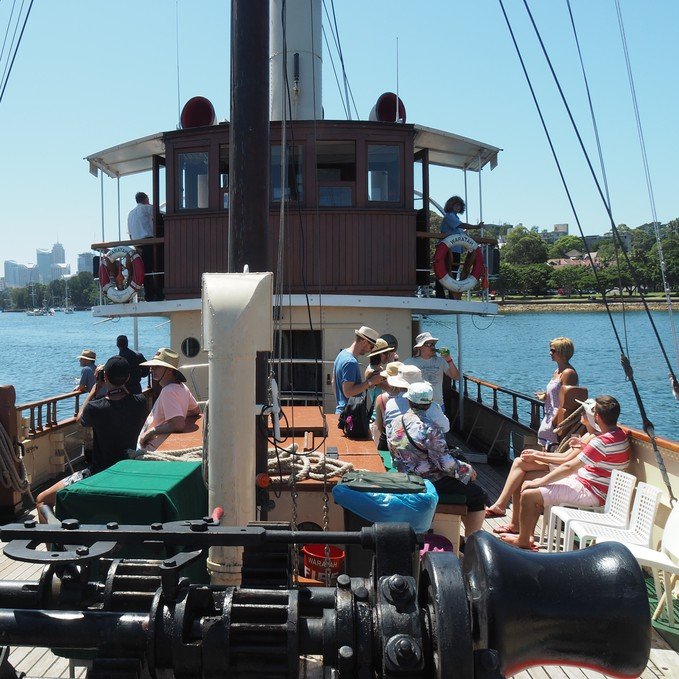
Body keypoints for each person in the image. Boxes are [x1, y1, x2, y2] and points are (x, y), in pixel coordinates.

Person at [500, 395, 631, 550]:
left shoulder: (601, 442)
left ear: (596, 417)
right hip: (593, 485)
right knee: (530, 485)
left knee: (529, 494)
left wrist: (541, 482)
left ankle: (522, 541)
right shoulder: (620, 435)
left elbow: (570, 467)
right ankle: (526, 535)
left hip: (592, 490)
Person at [36, 356, 148, 522]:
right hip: (128, 469)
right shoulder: (141, 402)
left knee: (41, 500)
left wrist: (95, 389)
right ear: (129, 377)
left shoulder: (96, 408)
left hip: (100, 472)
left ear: (105, 377)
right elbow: (128, 398)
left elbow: (80, 418)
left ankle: (55, 544)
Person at [387, 382, 488, 535]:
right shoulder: (430, 428)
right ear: (429, 404)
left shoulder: (395, 423)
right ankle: (470, 545)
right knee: (478, 495)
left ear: (408, 400)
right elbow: (445, 464)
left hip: (405, 477)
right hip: (428, 481)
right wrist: (467, 470)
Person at [486, 397, 600, 528]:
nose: (581, 413)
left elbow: (566, 461)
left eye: (584, 412)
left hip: (568, 473)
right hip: (562, 467)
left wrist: (537, 455)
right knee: (519, 462)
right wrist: (537, 455)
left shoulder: (593, 439)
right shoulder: (586, 435)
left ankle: (510, 517)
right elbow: (563, 456)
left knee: (521, 475)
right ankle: (506, 511)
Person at [137, 348, 201, 451]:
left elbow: (179, 424)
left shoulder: (168, 391)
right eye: (151, 367)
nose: (151, 370)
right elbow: (195, 410)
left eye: (156, 367)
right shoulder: (182, 387)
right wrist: (178, 414)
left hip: (151, 448)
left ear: (170, 370)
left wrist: (151, 432)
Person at [535, 337, 579, 451]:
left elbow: (567, 402)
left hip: (557, 420)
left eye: (553, 350)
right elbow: (557, 393)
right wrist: (545, 396)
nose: (550, 353)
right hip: (549, 416)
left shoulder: (569, 373)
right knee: (545, 450)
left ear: (562, 352)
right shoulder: (557, 371)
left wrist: (554, 423)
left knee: (551, 452)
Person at [435, 196, 483, 299]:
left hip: (456, 250)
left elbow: (460, 233)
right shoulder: (449, 216)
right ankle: (441, 295)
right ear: (450, 205)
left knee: (453, 272)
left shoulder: (455, 218)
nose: (458, 207)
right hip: (447, 251)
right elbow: (461, 225)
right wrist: (476, 227)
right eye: (456, 205)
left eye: (459, 205)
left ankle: (452, 294)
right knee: (444, 271)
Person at [332, 326, 385, 414]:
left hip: (342, 411)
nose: (370, 351)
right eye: (371, 347)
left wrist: (340, 403)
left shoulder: (342, 354)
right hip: (350, 415)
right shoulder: (351, 362)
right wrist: (370, 382)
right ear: (364, 342)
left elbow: (334, 381)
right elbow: (348, 392)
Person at [404, 332, 458, 406]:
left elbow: (456, 377)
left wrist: (449, 360)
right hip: (418, 404)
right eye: (429, 345)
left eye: (433, 344)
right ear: (420, 347)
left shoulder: (441, 361)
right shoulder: (410, 362)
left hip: (438, 404)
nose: (432, 347)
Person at [127, 191, 160, 301]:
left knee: (146, 270)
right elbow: (158, 214)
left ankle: (149, 294)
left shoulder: (130, 214)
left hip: (137, 245)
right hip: (148, 242)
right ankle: (159, 292)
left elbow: (131, 234)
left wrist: (136, 248)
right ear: (145, 199)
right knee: (155, 267)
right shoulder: (146, 208)